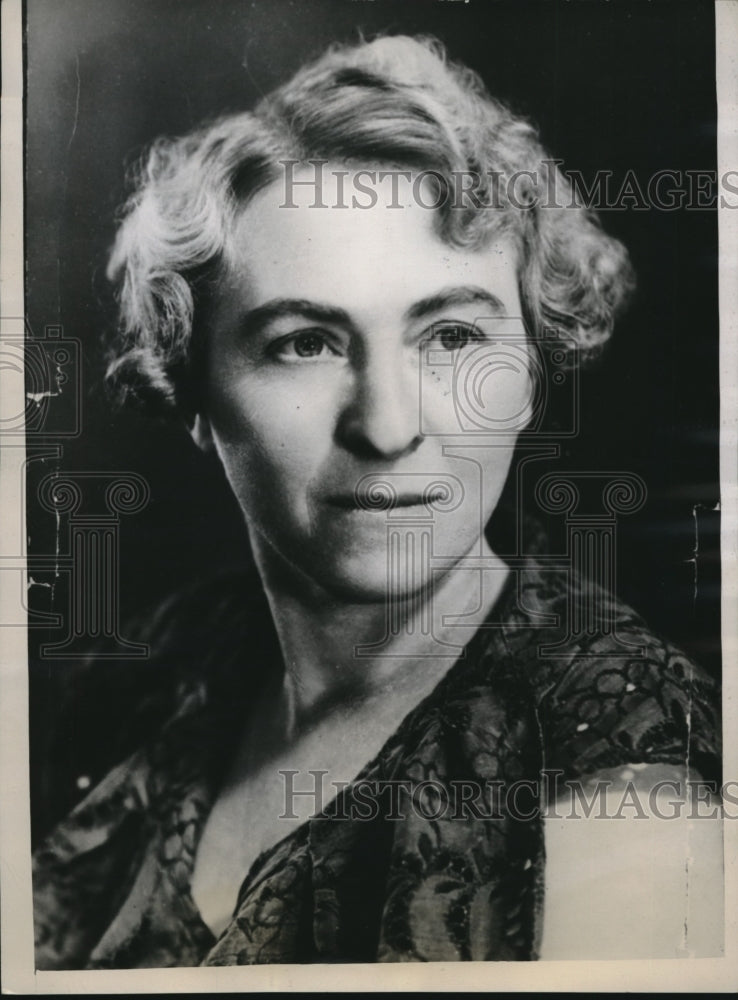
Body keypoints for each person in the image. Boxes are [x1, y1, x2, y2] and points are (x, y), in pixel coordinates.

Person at [32, 34, 722, 967]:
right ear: (189, 393)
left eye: (449, 336)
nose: (389, 427)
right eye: (305, 342)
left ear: (530, 373)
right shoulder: (146, 673)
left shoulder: (620, 751)